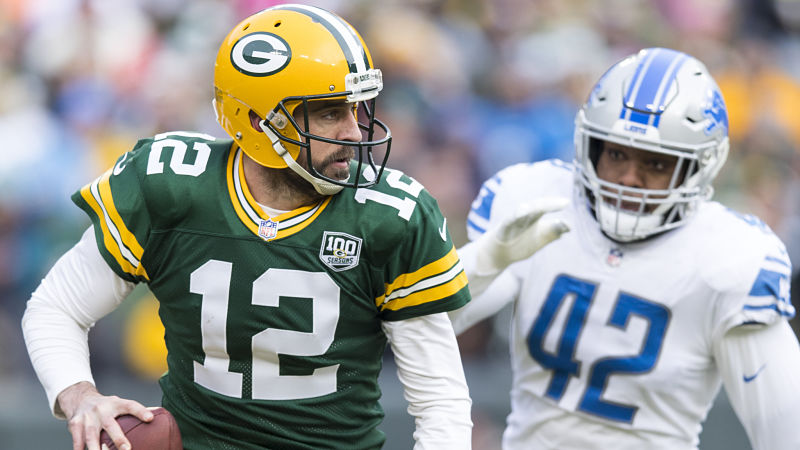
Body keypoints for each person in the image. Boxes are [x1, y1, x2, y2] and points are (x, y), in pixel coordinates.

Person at [21, 5, 473, 450]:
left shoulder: (390, 215)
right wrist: (80, 397)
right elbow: (56, 307)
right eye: (330, 113)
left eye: (357, 109)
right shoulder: (171, 187)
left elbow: (440, 404)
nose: (354, 132)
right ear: (260, 122)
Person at [450, 47, 800, 449]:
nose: (629, 178)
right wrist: (486, 259)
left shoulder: (730, 257)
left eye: (656, 163)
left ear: (698, 168)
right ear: (590, 146)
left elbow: (785, 431)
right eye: (616, 154)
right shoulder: (538, 201)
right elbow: (430, 321)